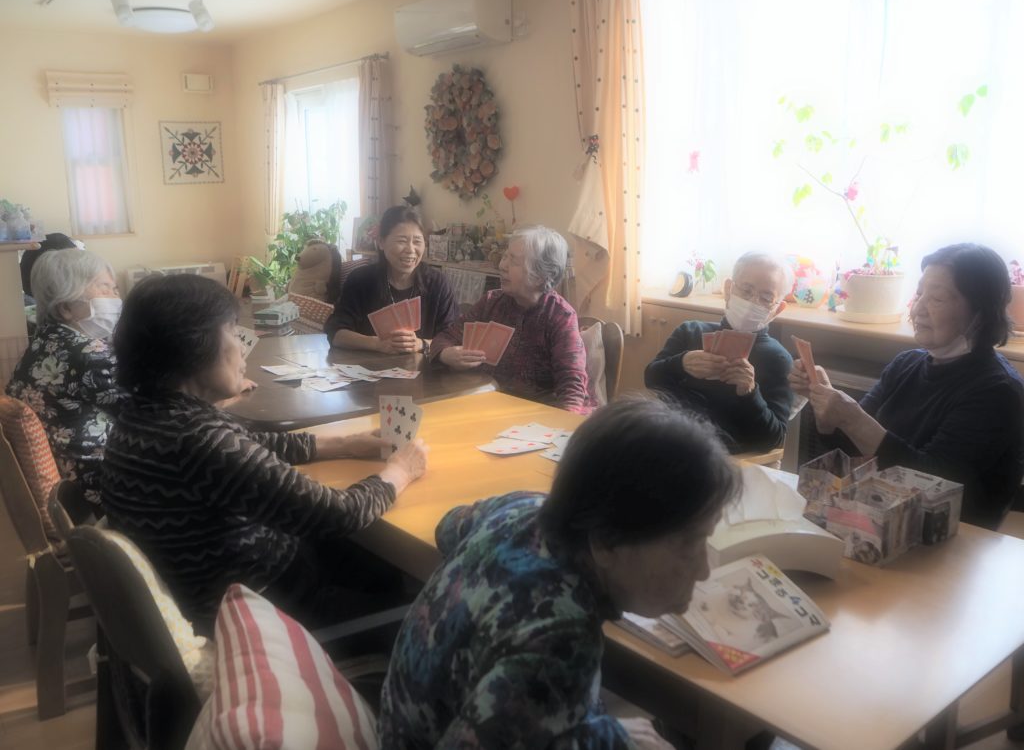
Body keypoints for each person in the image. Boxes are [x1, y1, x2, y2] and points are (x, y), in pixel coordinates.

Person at [378, 397, 740, 749]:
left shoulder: (523, 507)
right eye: (689, 544)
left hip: (408, 716)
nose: (704, 570)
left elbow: (447, 527)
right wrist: (606, 738)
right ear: (606, 543)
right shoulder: (561, 642)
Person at [101, 273, 429, 634]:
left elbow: (249, 445)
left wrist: (344, 443)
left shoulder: (144, 414)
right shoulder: (198, 438)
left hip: (232, 583)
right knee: (425, 612)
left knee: (380, 568)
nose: (243, 349)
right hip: (264, 611)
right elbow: (338, 513)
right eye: (232, 332)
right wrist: (399, 472)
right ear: (193, 347)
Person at [789, 243, 1024, 530]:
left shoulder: (998, 391)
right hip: (876, 523)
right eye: (919, 293)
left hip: (949, 537)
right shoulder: (906, 364)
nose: (919, 307)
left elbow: (934, 486)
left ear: (981, 313)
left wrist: (853, 419)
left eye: (936, 298)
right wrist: (826, 409)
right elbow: (853, 452)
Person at [7, 249, 126, 508]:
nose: (116, 298)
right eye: (105, 289)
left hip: (65, 480)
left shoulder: (43, 341)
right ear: (65, 308)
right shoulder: (90, 354)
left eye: (115, 289)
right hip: (98, 483)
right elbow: (147, 412)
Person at [430, 225, 592, 413]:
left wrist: (562, 424)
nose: (502, 265)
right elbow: (444, 338)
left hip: (537, 414)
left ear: (540, 276)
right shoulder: (491, 302)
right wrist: (446, 354)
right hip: (487, 405)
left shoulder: (560, 316)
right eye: (505, 256)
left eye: (513, 261)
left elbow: (572, 387)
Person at [645, 252, 795, 453]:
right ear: (728, 289)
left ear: (778, 309)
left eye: (766, 297)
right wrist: (681, 364)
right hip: (673, 443)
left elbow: (773, 438)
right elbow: (651, 379)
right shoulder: (690, 331)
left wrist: (750, 393)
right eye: (746, 290)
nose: (753, 301)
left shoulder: (778, 359)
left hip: (728, 458)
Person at [324, 205, 459, 353]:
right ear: (381, 242)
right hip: (367, 365)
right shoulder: (360, 280)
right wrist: (376, 344)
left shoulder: (438, 283)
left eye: (417, 241)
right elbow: (335, 333)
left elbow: (452, 338)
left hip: (422, 366)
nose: (411, 250)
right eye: (402, 241)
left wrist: (421, 344)